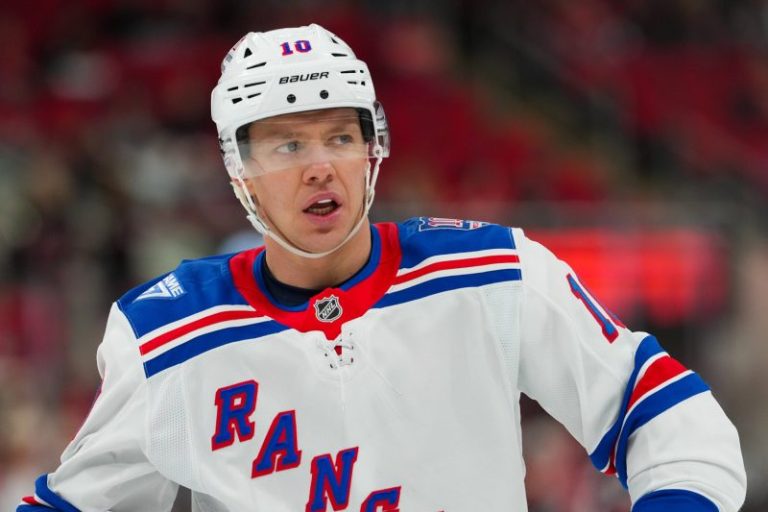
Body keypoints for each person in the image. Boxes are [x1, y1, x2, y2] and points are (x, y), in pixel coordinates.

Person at [18, 24, 746, 512]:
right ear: (239, 168)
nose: (320, 166)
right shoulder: (166, 334)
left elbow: (663, 411)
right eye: (287, 145)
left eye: (340, 136)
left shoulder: (495, 273)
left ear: (374, 147)